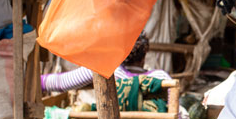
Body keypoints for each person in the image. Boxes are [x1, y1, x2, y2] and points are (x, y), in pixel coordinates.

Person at [41, 33, 172, 92]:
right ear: (144, 56)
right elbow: (176, 117)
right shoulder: (160, 77)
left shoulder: (106, 70)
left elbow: (62, 82)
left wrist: (36, 82)